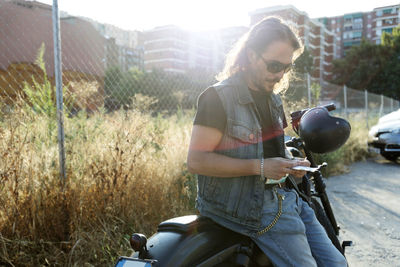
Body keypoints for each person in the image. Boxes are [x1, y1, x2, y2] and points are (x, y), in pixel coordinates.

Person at [187, 17, 347, 267]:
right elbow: (197, 161)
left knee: (337, 263)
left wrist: (291, 164)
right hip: (246, 208)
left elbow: (272, 146)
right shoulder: (217, 98)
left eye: (287, 67)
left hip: (285, 199)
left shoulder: (273, 100)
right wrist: (260, 167)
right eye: (274, 65)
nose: (280, 74)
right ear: (251, 55)